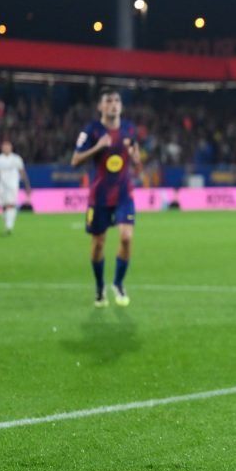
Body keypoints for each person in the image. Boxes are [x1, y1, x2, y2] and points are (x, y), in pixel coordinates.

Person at [71, 87, 141, 308]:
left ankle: (118, 284)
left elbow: (137, 164)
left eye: (117, 100)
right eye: (108, 101)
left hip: (124, 193)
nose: (113, 104)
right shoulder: (91, 131)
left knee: (126, 237)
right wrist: (98, 147)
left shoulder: (130, 129)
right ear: (100, 106)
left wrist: (135, 158)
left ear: (121, 105)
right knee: (98, 244)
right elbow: (75, 161)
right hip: (99, 196)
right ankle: (100, 287)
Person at [0, 140, 31, 234]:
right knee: (4, 205)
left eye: (8, 146)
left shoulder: (16, 159)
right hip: (2, 185)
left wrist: (27, 186)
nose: (6, 148)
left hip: (13, 185)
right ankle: (7, 223)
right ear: (2, 148)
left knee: (11, 204)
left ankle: (9, 226)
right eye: (5, 146)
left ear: (11, 148)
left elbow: (22, 172)